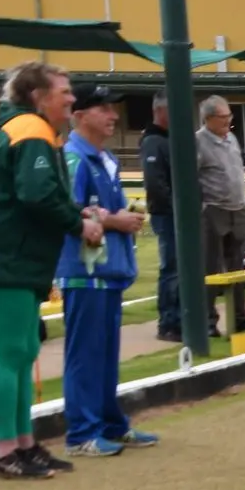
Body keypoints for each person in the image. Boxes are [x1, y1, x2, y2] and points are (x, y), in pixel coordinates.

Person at [0, 62, 103, 478]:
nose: (72, 99)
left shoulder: (27, 129)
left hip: (18, 259)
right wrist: (80, 223)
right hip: (9, 259)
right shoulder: (30, 130)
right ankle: (7, 448)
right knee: (9, 354)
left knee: (22, 353)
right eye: (64, 92)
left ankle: (23, 444)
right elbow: (36, 194)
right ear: (39, 96)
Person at [57, 83, 159, 458]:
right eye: (103, 108)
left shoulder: (105, 158)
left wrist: (123, 217)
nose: (113, 115)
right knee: (85, 354)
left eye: (113, 108)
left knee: (103, 353)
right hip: (84, 272)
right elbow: (66, 210)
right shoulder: (73, 158)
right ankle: (82, 433)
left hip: (108, 270)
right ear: (80, 115)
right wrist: (115, 220)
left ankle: (111, 424)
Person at [197, 95, 245, 336]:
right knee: (211, 269)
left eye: (229, 116)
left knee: (237, 268)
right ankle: (208, 322)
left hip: (237, 210)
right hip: (213, 211)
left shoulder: (230, 138)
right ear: (208, 118)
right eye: (223, 117)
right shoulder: (198, 142)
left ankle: (240, 318)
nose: (228, 121)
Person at [139, 88, 179, 342]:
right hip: (167, 214)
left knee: (178, 267)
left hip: (175, 212)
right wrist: (173, 208)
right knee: (171, 268)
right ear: (161, 111)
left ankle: (178, 317)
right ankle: (169, 322)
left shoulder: (168, 138)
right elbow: (155, 183)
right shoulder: (153, 141)